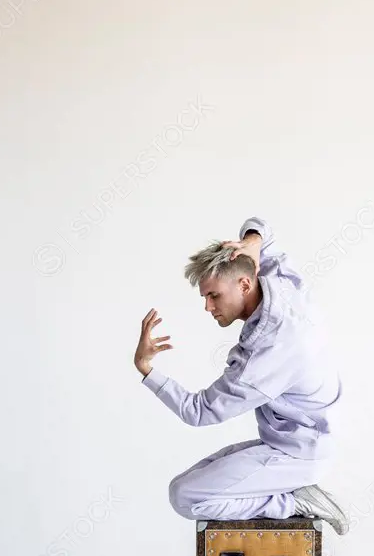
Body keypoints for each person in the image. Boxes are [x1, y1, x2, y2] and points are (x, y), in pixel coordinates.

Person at [134, 215, 349, 534]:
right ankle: (292, 492)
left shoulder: (269, 351)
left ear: (244, 284)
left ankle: (295, 502)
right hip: (294, 440)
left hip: (299, 454)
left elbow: (199, 412)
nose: (208, 307)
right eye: (205, 297)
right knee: (185, 484)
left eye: (214, 295)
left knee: (186, 497)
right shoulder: (278, 282)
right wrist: (253, 240)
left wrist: (146, 369)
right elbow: (264, 228)